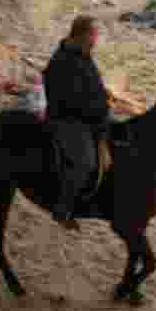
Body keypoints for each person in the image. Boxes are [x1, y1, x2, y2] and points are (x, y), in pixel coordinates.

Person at [42, 15, 111, 229]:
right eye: (93, 35)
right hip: (67, 121)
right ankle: (62, 210)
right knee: (84, 162)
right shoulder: (62, 62)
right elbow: (71, 102)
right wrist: (96, 118)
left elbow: (91, 85)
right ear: (81, 35)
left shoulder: (83, 54)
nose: (95, 41)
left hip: (90, 116)